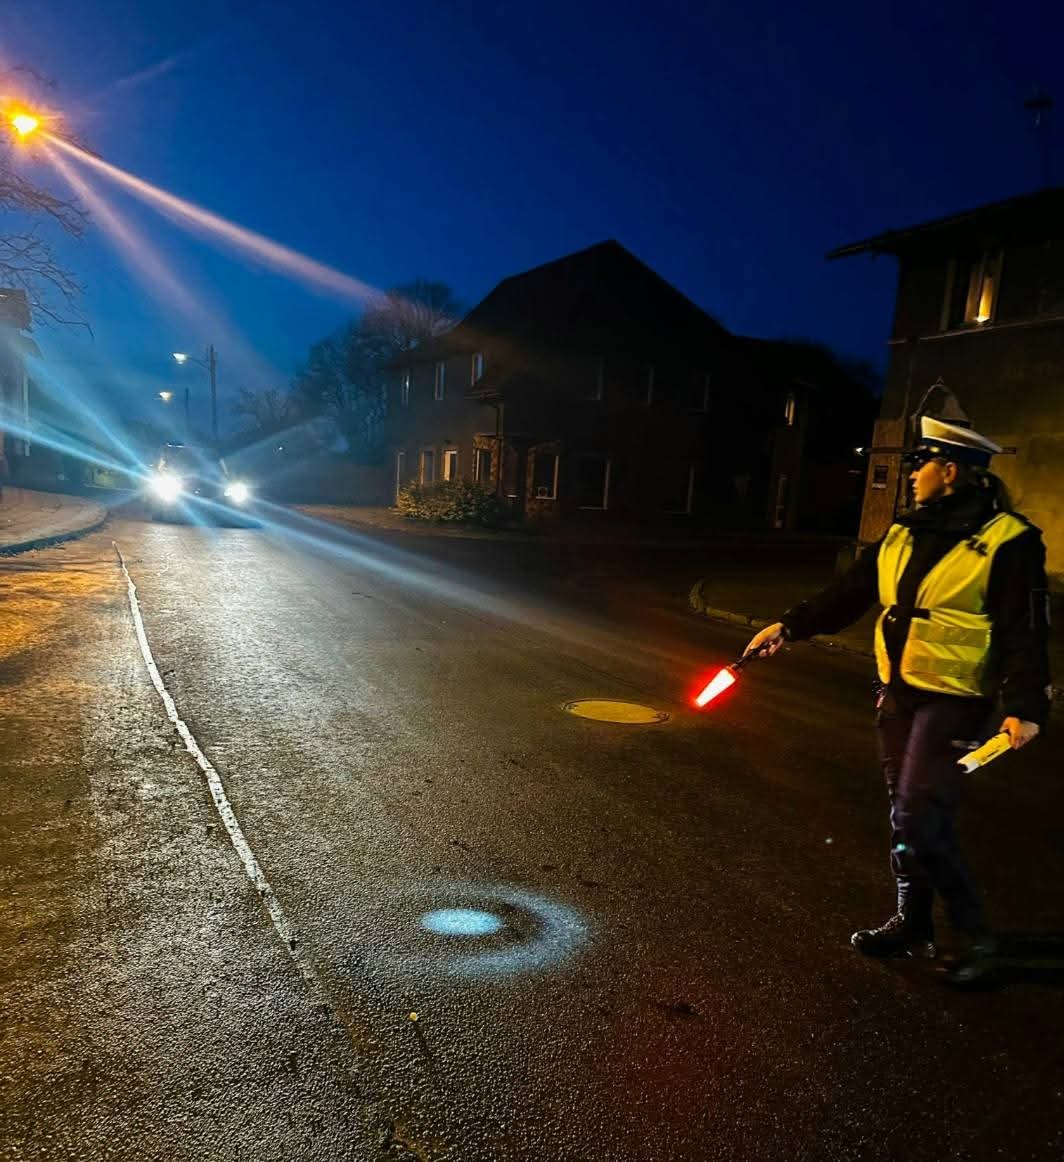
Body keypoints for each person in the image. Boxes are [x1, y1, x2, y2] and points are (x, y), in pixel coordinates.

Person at [745, 416, 1051, 987]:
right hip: (899, 695)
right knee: (904, 814)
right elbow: (851, 593)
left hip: (955, 702)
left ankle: (974, 935)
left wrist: (1026, 704)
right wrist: (787, 626)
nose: (910, 474)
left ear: (950, 470)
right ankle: (914, 924)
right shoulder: (904, 531)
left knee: (920, 817)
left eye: (920, 464)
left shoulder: (1010, 540)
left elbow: (1024, 628)